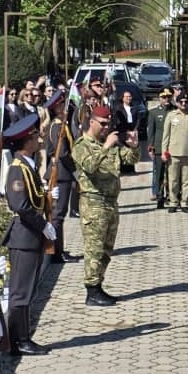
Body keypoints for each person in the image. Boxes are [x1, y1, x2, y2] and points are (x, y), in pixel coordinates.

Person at [72, 105, 140, 306]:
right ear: (91, 122)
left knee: (106, 250)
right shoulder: (82, 145)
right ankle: (91, 290)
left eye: (108, 124)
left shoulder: (109, 142)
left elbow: (129, 160)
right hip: (93, 204)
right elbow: (90, 167)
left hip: (111, 202)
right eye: (102, 124)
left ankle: (99, 285)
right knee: (94, 249)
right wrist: (106, 147)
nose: (105, 127)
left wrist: (134, 146)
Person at [2, 114, 55, 354]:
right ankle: (17, 341)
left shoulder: (27, 166)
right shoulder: (17, 170)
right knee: (20, 292)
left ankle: (23, 337)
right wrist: (43, 225)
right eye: (34, 136)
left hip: (30, 236)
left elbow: (31, 199)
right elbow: (20, 206)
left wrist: (45, 198)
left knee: (28, 289)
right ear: (26, 142)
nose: (38, 138)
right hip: (24, 237)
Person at [43, 91, 81, 263]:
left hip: (63, 173)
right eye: (62, 104)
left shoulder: (61, 124)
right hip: (60, 174)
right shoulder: (57, 126)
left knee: (60, 213)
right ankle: (57, 252)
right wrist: (76, 171)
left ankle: (59, 249)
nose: (66, 106)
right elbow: (62, 153)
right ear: (56, 107)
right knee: (58, 214)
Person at [161, 93, 188, 213]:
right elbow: (166, 135)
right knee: (173, 180)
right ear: (177, 103)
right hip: (173, 153)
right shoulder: (171, 115)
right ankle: (173, 202)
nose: (184, 104)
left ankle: (185, 202)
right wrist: (164, 151)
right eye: (181, 102)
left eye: (186, 102)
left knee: (187, 180)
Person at [146, 88, 174, 208]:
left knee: (172, 173)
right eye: (164, 97)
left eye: (168, 97)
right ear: (159, 98)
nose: (166, 99)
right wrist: (151, 147)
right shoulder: (153, 112)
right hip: (159, 147)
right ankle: (159, 196)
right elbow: (151, 131)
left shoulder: (175, 110)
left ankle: (171, 196)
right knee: (160, 173)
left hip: (173, 146)